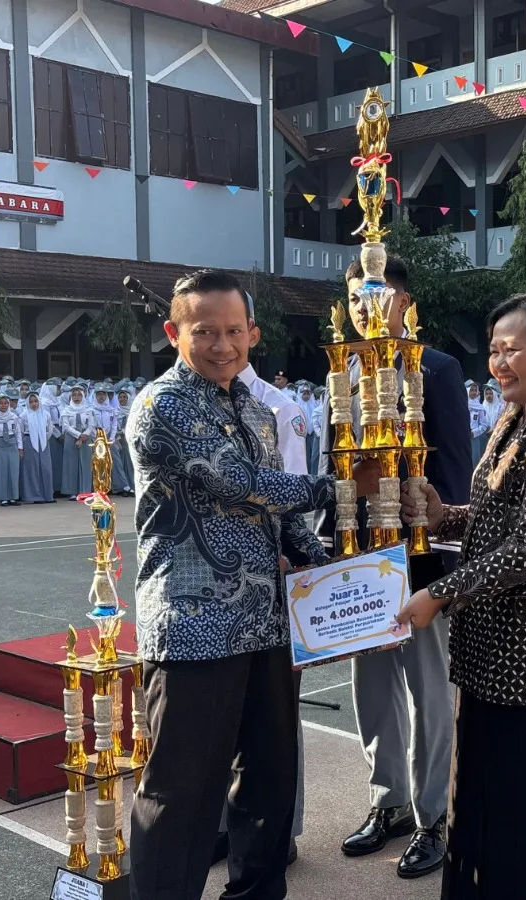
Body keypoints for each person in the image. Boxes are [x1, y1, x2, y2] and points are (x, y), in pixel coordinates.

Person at [126, 270, 337, 900]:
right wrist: (333, 488)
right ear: (174, 333)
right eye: (205, 332)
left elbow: (282, 514)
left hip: (266, 622)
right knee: (182, 792)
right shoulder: (162, 405)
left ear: (253, 334)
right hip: (194, 625)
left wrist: (332, 569)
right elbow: (233, 480)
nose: (222, 345)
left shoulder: (257, 410)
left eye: (233, 331)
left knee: (270, 780)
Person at [396, 292, 526, 900]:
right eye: (493, 350)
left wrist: (441, 592)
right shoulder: (513, 420)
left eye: (513, 349)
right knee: (483, 796)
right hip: (489, 647)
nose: (499, 363)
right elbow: (499, 519)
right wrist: (444, 514)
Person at [322, 256, 473, 879]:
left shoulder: (435, 368)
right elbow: (335, 466)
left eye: (378, 294)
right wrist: (329, 547)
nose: (365, 307)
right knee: (372, 685)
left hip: (418, 554)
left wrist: (445, 556)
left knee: (429, 688)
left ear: (404, 300)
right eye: (356, 296)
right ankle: (388, 803)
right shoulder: (342, 369)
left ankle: (433, 813)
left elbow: (454, 465)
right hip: (360, 556)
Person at [19, 391, 57, 504]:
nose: (34, 404)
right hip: (29, 442)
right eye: (31, 402)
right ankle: (34, 496)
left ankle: (47, 495)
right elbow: (20, 431)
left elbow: (50, 429)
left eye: (36, 401)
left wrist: (43, 438)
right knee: (32, 469)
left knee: (46, 468)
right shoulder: (24, 415)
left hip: (43, 443)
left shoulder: (45, 414)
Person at [58, 385, 96, 496]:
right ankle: (72, 491)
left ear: (83, 396)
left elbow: (91, 425)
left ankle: (85, 490)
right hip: (71, 437)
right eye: (74, 395)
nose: (76, 397)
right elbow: (66, 426)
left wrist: (84, 435)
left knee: (85, 463)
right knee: (71, 464)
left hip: (86, 437)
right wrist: (78, 435)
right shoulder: (66, 410)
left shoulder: (89, 410)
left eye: (79, 395)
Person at [0, 391, 22, 507]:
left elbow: (18, 433)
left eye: (6, 403)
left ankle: (13, 497)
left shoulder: (13, 417)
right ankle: (3, 498)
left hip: (12, 444)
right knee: (1, 472)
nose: (4, 405)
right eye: (1, 403)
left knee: (13, 471)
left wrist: (20, 448)